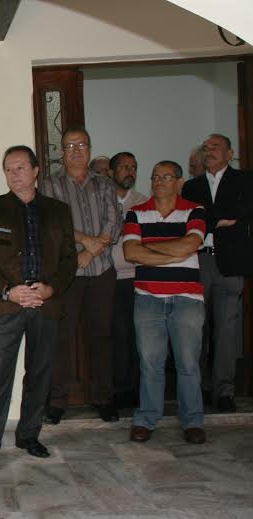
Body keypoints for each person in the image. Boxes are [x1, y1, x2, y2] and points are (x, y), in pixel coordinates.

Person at [0, 146, 76, 470]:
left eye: (20, 167)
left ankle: (29, 435)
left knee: (39, 374)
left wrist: (50, 288)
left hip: (45, 303)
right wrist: (8, 291)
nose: (14, 174)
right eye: (8, 169)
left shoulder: (58, 210)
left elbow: (69, 259)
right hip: (7, 305)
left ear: (35, 171)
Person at [39, 126, 122, 424]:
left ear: (89, 149)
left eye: (82, 145)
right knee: (61, 337)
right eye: (70, 146)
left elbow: (115, 223)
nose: (76, 150)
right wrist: (84, 244)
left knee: (102, 336)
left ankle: (104, 398)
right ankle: (57, 400)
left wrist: (91, 252)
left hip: (101, 271)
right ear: (63, 152)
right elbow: (50, 225)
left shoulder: (104, 184)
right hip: (66, 274)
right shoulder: (49, 185)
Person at [123, 161, 206, 444]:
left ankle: (193, 421)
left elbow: (191, 245)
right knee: (150, 363)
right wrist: (174, 252)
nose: (159, 181)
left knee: (188, 363)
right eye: (155, 176)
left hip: (187, 300)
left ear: (179, 182)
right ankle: (146, 419)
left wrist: (149, 248)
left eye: (166, 176)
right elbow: (131, 252)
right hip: (148, 299)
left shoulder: (194, 210)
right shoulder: (136, 213)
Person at [182, 134, 252, 412]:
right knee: (194, 329)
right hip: (197, 262)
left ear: (230, 153)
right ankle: (197, 388)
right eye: (206, 148)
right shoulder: (191, 186)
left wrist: (209, 217)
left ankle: (224, 391)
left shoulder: (245, 180)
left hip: (230, 264)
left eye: (215, 147)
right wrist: (220, 220)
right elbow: (191, 218)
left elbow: (242, 211)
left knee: (227, 330)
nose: (209, 151)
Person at [108, 153, 148, 409]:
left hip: (137, 278)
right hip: (109, 279)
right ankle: (116, 390)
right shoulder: (102, 200)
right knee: (116, 335)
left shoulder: (144, 202)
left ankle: (134, 391)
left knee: (136, 335)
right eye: (123, 167)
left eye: (133, 167)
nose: (129, 171)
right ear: (111, 172)